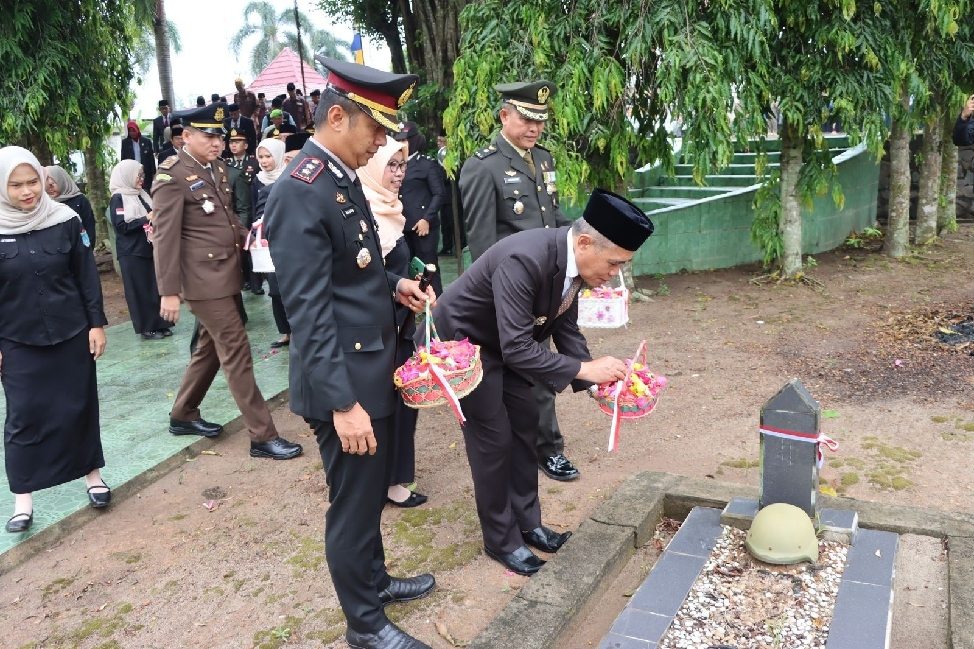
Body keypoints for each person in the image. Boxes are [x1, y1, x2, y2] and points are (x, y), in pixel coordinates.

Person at [264, 57, 435, 649]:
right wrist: (343, 404)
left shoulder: (338, 176)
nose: (382, 144)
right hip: (343, 385)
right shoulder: (300, 190)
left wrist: (394, 285)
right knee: (353, 505)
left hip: (367, 368)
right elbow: (309, 313)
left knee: (368, 493)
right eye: (376, 130)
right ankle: (365, 625)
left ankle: (376, 582)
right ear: (337, 117)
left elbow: (349, 274)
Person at [427, 189, 654, 574]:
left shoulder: (573, 264)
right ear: (585, 243)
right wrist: (585, 369)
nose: (614, 274)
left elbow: (565, 327)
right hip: (467, 345)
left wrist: (597, 382)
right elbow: (517, 348)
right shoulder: (525, 258)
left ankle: (528, 524)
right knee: (493, 439)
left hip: (509, 343)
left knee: (525, 426)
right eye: (614, 263)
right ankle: (501, 541)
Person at [151, 102, 302, 460]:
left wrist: (251, 235)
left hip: (226, 273)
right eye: (208, 136)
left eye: (218, 136)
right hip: (202, 281)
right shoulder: (171, 176)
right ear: (186, 137)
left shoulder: (216, 168)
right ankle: (262, 436)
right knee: (236, 350)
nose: (216, 143)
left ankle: (183, 413)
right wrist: (168, 291)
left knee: (209, 348)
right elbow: (164, 237)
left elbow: (224, 216)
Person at [458, 80, 581, 483]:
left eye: (540, 121)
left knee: (538, 367)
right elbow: (482, 244)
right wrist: (502, 294)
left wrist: (586, 242)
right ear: (504, 116)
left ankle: (545, 447)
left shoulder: (542, 160)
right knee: (524, 369)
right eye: (527, 119)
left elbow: (553, 221)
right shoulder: (483, 166)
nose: (534, 128)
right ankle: (540, 447)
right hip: (512, 287)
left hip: (546, 282)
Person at [0, 147, 111, 534]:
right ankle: (23, 500)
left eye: (33, 182)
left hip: (71, 332)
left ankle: (93, 477)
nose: (27, 191)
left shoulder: (65, 219)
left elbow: (85, 275)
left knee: (79, 406)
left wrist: (96, 324)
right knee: (23, 415)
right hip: (17, 339)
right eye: (16, 185)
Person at [357, 135, 430, 508]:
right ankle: (384, 482)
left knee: (402, 405)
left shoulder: (390, 207)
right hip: (378, 329)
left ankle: (394, 477)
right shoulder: (364, 212)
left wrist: (416, 286)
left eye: (402, 165)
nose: (399, 173)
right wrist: (400, 287)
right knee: (386, 406)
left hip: (400, 324)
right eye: (391, 165)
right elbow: (364, 275)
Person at [109, 160, 172, 340]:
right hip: (131, 252)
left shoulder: (141, 195)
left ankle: (161, 324)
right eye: (138, 175)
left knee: (153, 288)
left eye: (142, 175)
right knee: (139, 291)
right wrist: (146, 218)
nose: (141, 179)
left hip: (148, 248)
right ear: (127, 176)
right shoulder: (118, 198)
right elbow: (121, 226)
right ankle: (147, 328)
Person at [398, 122, 445, 296]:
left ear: (414, 141)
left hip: (423, 227)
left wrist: (427, 218)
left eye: (405, 140)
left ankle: (438, 303)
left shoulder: (426, 164)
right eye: (399, 141)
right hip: (402, 226)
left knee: (428, 268)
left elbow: (439, 194)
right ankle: (416, 302)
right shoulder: (395, 164)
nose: (402, 144)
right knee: (407, 269)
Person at [252, 137, 289, 346]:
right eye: (261, 157)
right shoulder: (257, 180)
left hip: (290, 240)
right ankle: (285, 331)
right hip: (268, 243)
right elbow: (253, 208)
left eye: (268, 156)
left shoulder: (289, 177)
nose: (264, 161)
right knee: (275, 289)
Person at [225, 129, 261, 294]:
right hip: (238, 211)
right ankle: (246, 279)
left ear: (245, 145)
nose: (234, 145)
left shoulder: (255, 163)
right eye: (231, 142)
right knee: (242, 249)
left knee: (254, 246)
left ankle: (257, 282)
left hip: (253, 208)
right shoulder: (226, 165)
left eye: (237, 142)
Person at [44, 165, 97, 243]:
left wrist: (87, 247)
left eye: (52, 184)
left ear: (62, 181)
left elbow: (89, 227)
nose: (50, 189)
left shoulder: (80, 200)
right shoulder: (45, 204)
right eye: (46, 186)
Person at [436, 134, 466, 256]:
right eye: (438, 140)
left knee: (456, 223)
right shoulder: (440, 156)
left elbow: (452, 176)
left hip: (454, 196)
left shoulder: (454, 156)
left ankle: (460, 246)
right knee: (445, 224)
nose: (438, 143)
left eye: (441, 140)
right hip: (444, 197)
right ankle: (447, 246)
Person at [120, 120, 156, 190]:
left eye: (133, 130)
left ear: (137, 129)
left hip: (146, 172)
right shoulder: (125, 143)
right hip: (132, 172)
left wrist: (154, 172)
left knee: (146, 191)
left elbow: (151, 158)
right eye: (130, 131)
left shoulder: (147, 141)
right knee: (134, 190)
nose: (132, 133)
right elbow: (123, 159)